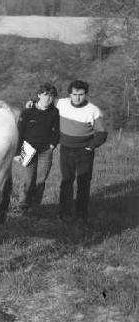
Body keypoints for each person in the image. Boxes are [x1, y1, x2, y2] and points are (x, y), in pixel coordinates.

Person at [56, 80, 108, 222]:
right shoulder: (61, 103)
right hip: (66, 149)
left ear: (85, 94)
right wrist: (32, 101)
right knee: (66, 181)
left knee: (83, 182)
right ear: (69, 94)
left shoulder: (93, 110)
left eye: (81, 94)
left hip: (84, 152)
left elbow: (102, 133)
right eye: (74, 94)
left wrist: (90, 147)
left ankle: (81, 215)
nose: (77, 97)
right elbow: (45, 102)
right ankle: (64, 213)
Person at [16, 83, 60, 212]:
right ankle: (23, 205)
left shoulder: (54, 112)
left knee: (40, 180)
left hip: (45, 150)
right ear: (39, 95)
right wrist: (17, 152)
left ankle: (35, 206)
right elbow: (19, 132)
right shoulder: (27, 111)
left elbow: (57, 131)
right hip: (27, 148)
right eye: (46, 95)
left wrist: (53, 144)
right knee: (27, 179)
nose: (48, 98)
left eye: (51, 95)